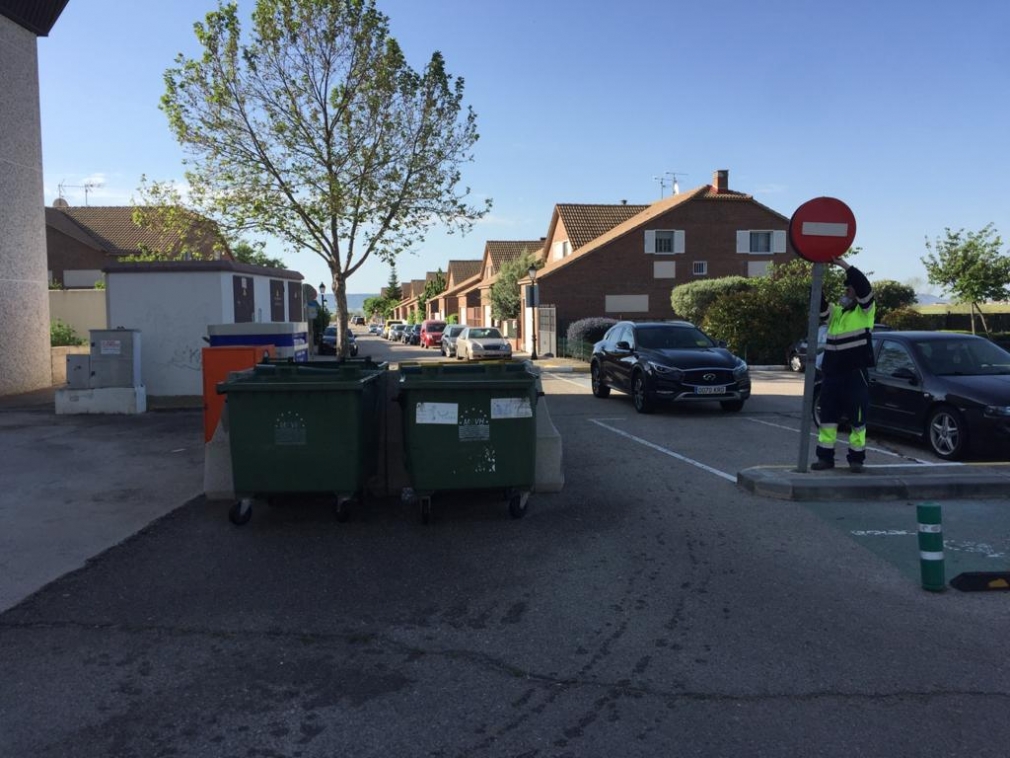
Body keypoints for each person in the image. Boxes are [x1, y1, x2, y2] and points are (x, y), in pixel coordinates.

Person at [812, 258, 875, 472]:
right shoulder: (836, 313)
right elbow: (819, 305)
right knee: (828, 418)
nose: (846, 293)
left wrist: (844, 265)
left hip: (855, 374)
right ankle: (825, 458)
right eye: (846, 290)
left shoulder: (865, 311)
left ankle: (856, 460)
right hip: (832, 375)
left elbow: (864, 286)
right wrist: (817, 279)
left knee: (857, 420)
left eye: (849, 290)